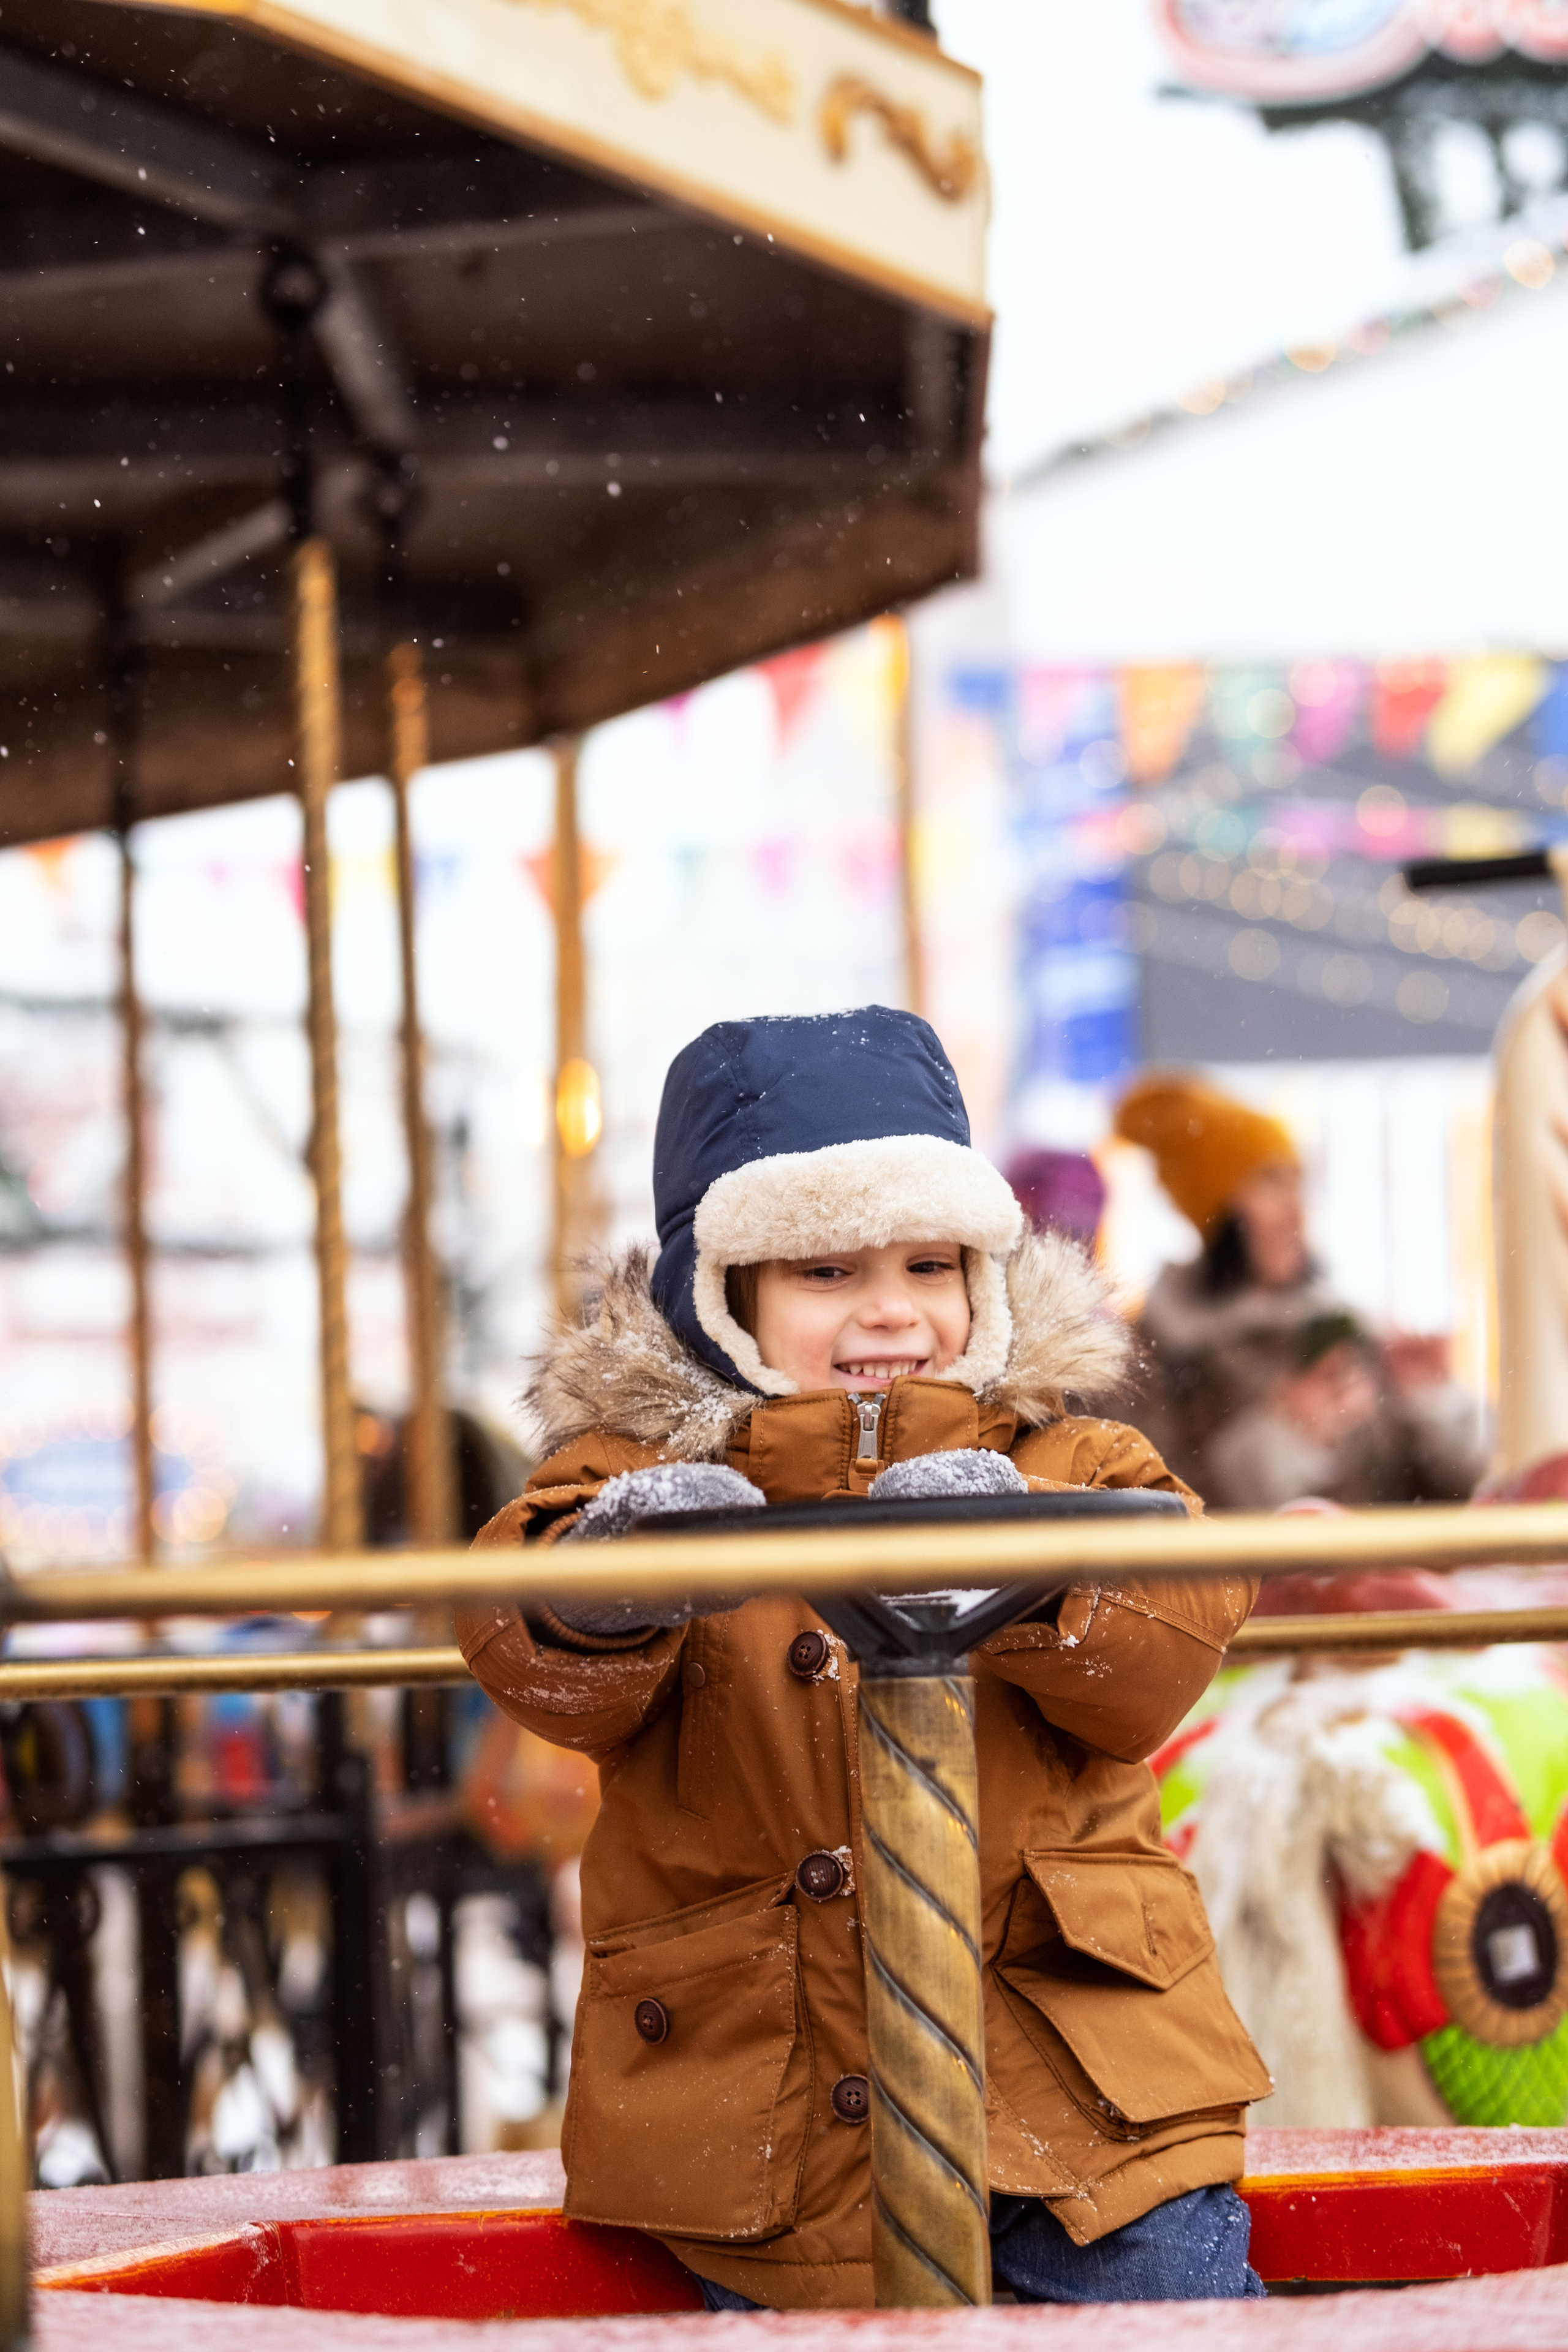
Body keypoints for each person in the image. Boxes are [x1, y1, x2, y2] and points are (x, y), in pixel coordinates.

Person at [456, 1008, 1268, 2310]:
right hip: (770, 2096)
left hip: (1080, 2086)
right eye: (826, 1273)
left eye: (929, 1265)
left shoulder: (1063, 1454)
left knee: (1162, 2316)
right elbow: (521, 1630)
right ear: (723, 1298)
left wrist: (1038, 1567)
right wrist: (616, 1585)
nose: (891, 1311)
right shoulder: (647, 1475)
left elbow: (1167, 1633)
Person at [1114, 1074, 1483, 1513]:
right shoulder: (1152, 1356)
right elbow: (1152, 1510)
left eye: (1297, 1184)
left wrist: (1431, 1397)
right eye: (1271, 1183)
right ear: (1218, 1207)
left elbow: (1461, 1488)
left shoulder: (1344, 1330)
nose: (1296, 1210)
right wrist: (1284, 1436)